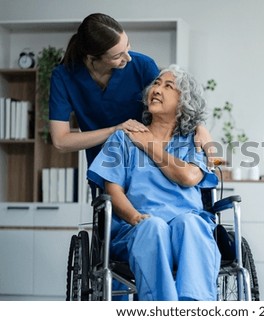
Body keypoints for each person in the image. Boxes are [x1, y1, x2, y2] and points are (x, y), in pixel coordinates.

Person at [87, 65, 221, 301]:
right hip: (138, 228)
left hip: (185, 228)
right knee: (153, 226)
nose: (157, 89)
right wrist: (134, 217)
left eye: (168, 86)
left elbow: (190, 177)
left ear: (183, 103)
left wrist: (150, 145)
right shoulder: (124, 137)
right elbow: (112, 190)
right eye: (156, 84)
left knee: (190, 223)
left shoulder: (194, 140)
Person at [49, 13, 213, 172]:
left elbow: (170, 103)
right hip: (109, 166)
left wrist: (200, 127)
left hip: (150, 163)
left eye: (127, 46)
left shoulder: (142, 65)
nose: (128, 58)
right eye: (118, 55)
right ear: (92, 58)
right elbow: (61, 141)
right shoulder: (64, 76)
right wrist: (116, 130)